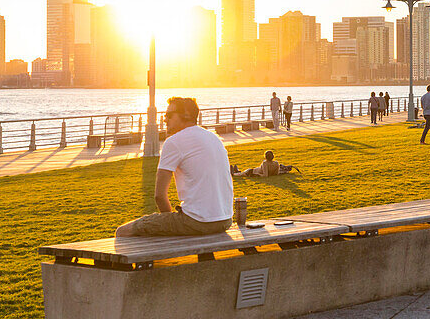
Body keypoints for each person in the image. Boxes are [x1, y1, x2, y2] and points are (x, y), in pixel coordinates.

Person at [116, 97, 234, 237]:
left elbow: (159, 196)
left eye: (169, 115)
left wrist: (168, 224)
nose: (165, 120)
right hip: (225, 220)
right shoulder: (214, 138)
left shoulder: (173, 142)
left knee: (122, 231)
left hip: (197, 222)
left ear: (186, 115)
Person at [231, 150, 299, 177]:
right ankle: (237, 171)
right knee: (242, 173)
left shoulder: (265, 163)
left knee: (242, 174)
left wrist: (256, 174)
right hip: (254, 170)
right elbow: (276, 173)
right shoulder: (276, 163)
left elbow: (265, 175)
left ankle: (234, 173)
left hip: (252, 171)